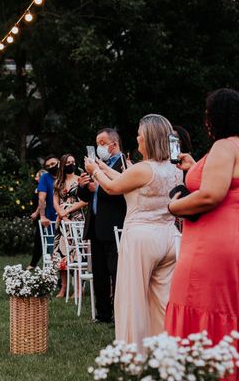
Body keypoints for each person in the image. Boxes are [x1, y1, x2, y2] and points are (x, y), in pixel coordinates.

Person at [85, 114, 181, 348]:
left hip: (142, 240)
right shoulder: (174, 169)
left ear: (148, 138)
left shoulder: (144, 168)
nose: (137, 138)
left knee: (131, 300)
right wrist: (103, 167)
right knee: (162, 301)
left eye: (139, 134)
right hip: (170, 238)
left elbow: (113, 187)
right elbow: (126, 181)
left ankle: (131, 354)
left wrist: (94, 171)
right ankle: (164, 350)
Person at [165, 89, 239, 351]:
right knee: (226, 310)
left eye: (208, 115)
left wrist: (174, 205)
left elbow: (210, 195)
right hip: (230, 240)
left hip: (211, 246)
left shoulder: (224, 146)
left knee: (201, 306)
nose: (206, 121)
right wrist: (196, 165)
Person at [78, 128, 127, 324]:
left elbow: (121, 192)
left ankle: (118, 313)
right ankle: (102, 313)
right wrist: (83, 186)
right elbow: (85, 197)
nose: (99, 147)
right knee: (99, 272)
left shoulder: (124, 165)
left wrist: (97, 186)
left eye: (102, 143)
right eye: (97, 143)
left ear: (114, 144)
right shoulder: (99, 165)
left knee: (116, 271)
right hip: (96, 224)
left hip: (115, 224)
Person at [52, 154, 87, 297]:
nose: (71, 164)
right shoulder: (58, 182)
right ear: (62, 165)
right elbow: (55, 201)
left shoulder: (80, 180)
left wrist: (68, 210)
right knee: (61, 253)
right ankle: (64, 287)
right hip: (62, 220)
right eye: (68, 162)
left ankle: (79, 288)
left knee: (77, 253)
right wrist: (62, 214)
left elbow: (85, 201)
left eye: (73, 162)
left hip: (76, 220)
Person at [27, 169, 47, 268]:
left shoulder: (43, 188)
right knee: (39, 239)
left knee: (40, 240)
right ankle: (34, 263)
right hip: (38, 218)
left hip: (42, 217)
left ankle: (33, 264)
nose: (35, 178)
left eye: (37, 176)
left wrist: (36, 213)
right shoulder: (39, 187)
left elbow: (42, 201)